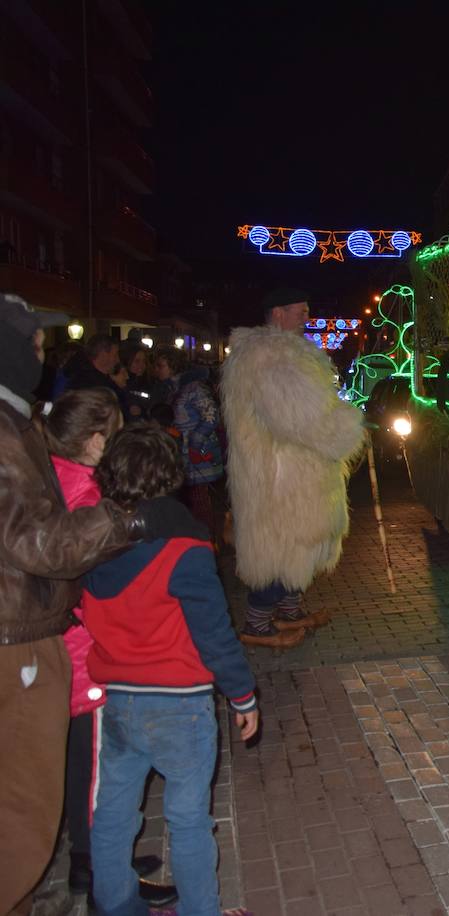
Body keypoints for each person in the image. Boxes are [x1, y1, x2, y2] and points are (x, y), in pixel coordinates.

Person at [0, 292, 190, 916]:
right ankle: (102, 877)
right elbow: (40, 543)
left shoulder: (24, 429)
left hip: (48, 636)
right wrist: (130, 522)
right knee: (68, 785)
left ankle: (97, 864)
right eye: (32, 342)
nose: (42, 354)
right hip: (45, 642)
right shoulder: (14, 439)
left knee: (64, 777)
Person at [84, 425, 259, 916]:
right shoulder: (185, 548)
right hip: (179, 703)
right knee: (187, 818)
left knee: (114, 810)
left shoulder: (91, 543)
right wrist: (242, 694)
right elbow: (214, 632)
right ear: (170, 475)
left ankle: (116, 904)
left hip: (117, 700)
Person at [43, 390, 177, 909]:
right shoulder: (84, 498)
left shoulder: (54, 477)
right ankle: (105, 877)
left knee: (85, 766)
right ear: (96, 441)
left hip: (70, 649)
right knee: (101, 773)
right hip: (85, 654)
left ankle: (92, 859)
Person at [220, 288, 364, 648]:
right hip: (281, 477)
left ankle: (289, 609)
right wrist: (349, 425)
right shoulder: (270, 356)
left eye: (307, 309)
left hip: (292, 471)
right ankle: (257, 623)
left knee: (298, 548)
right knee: (280, 549)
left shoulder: (283, 354)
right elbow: (302, 419)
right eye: (300, 310)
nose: (306, 316)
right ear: (278, 313)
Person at [173, 364, 226, 548]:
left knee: (200, 500)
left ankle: (208, 543)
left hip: (198, 454)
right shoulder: (182, 388)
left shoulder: (193, 388)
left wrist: (195, 444)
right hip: (188, 453)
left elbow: (211, 417)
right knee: (196, 500)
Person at [52, 337, 120, 399]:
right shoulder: (86, 382)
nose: (118, 360)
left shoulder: (96, 378)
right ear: (103, 355)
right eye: (115, 355)